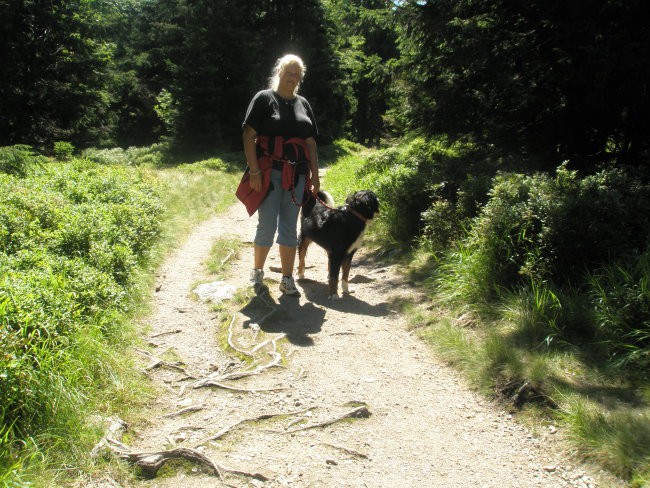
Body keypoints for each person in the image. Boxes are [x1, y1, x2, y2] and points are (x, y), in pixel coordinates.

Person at [242, 54, 320, 297]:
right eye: (289, 72)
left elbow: (311, 143)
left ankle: (287, 279)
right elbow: (248, 135)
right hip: (269, 174)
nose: (292, 77)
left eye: (297, 74)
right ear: (279, 72)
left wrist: (315, 177)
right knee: (266, 225)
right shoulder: (264, 99)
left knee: (288, 227)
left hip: (297, 176)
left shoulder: (303, 103)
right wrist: (254, 170)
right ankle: (257, 272)